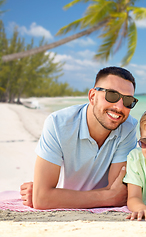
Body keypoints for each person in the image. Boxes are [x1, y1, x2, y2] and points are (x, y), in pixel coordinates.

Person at [20, 66, 139, 209]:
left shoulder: (128, 127)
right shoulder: (58, 124)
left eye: (128, 101)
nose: (119, 107)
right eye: (112, 95)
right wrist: (107, 197)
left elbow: (119, 192)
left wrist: (55, 196)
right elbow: (42, 200)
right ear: (92, 96)